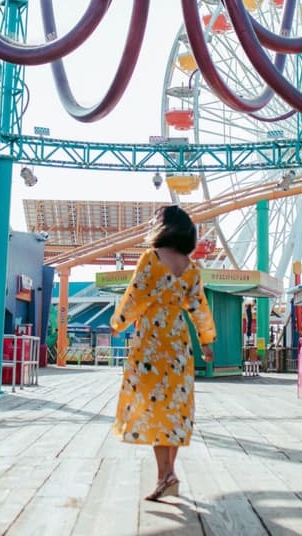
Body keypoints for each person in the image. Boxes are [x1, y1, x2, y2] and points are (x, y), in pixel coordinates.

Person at [110, 205, 216, 501]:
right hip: (179, 341)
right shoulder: (191, 268)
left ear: (165, 227)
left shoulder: (151, 259)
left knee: (155, 406)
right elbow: (199, 307)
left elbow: (135, 295)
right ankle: (169, 473)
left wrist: (119, 322)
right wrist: (206, 341)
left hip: (153, 341)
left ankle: (163, 475)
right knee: (175, 407)